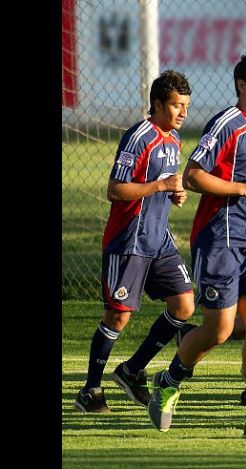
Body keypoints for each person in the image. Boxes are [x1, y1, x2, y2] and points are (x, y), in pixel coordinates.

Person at [146, 52, 246, 439]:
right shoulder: (229, 123)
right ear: (242, 85)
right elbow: (193, 175)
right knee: (220, 328)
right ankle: (169, 380)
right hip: (221, 238)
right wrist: (242, 189)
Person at [74, 70, 195, 413]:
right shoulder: (139, 136)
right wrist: (160, 186)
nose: (183, 112)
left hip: (159, 241)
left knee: (184, 305)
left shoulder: (172, 139)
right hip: (129, 241)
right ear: (158, 104)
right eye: (176, 105)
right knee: (118, 316)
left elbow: (162, 183)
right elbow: (116, 190)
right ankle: (90, 390)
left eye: (186, 105)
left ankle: (132, 370)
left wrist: (174, 193)